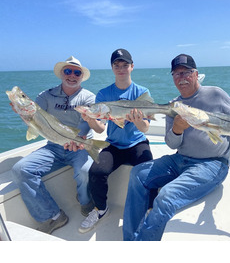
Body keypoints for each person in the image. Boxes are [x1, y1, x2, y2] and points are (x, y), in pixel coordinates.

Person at [123, 54, 230, 241]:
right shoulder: (174, 105)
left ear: (195, 74)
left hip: (212, 164)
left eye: (186, 72)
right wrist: (177, 129)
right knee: (138, 174)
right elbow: (171, 144)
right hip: (179, 159)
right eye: (176, 74)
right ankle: (130, 240)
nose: (182, 78)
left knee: (166, 196)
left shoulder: (216, 94)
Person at [11, 56, 95, 234]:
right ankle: (54, 216)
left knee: (85, 171)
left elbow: (85, 127)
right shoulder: (45, 95)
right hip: (54, 148)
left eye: (76, 72)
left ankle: (85, 201)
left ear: (81, 76)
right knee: (20, 169)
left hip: (79, 145)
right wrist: (22, 112)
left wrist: (79, 139)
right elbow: (34, 120)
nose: (72, 75)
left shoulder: (89, 98)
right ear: (61, 74)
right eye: (67, 71)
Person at [78, 48, 153, 233]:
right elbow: (101, 128)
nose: (121, 69)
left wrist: (138, 121)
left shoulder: (142, 92)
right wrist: (91, 119)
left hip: (137, 142)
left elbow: (146, 128)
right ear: (112, 68)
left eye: (125, 65)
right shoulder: (103, 95)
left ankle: (150, 209)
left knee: (148, 170)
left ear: (132, 67)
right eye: (117, 65)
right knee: (96, 170)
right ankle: (101, 209)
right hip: (114, 145)